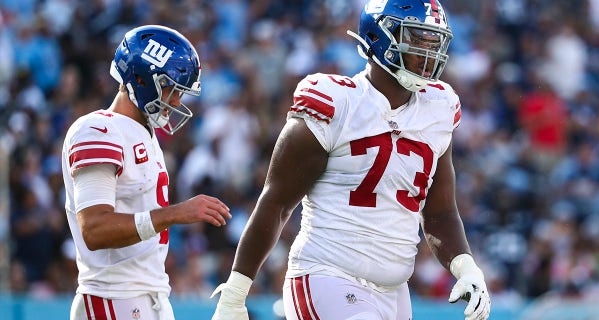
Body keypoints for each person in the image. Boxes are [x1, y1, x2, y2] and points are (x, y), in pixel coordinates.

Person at [211, 0, 491, 319]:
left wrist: (467, 268)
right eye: (417, 39)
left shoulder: (438, 108)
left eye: (434, 42)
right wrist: (234, 295)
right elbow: (275, 203)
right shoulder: (337, 103)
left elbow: (439, 212)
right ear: (379, 36)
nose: (429, 52)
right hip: (327, 275)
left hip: (394, 292)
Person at [61, 25, 232, 320]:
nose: (176, 101)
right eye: (172, 89)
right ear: (140, 79)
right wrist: (175, 214)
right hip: (113, 298)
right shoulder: (98, 130)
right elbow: (94, 229)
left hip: (147, 296)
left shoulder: (144, 133)